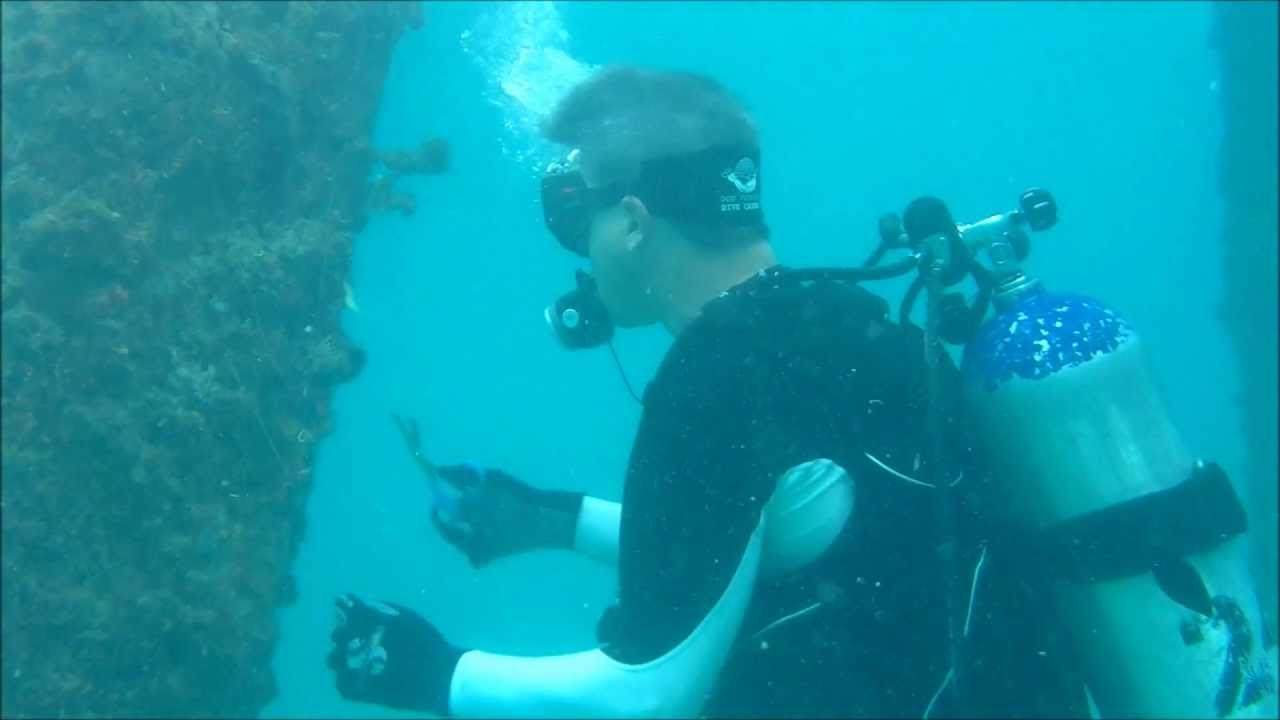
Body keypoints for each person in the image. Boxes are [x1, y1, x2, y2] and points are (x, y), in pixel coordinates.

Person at [325, 65, 1089, 718]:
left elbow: (650, 691)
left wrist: (437, 674)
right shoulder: (841, 320)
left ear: (633, 224)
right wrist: (553, 519)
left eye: (578, 225)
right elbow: (758, 524)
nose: (581, 258)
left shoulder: (716, 382)